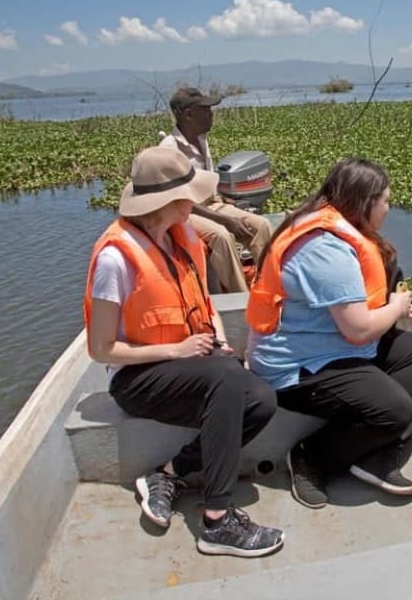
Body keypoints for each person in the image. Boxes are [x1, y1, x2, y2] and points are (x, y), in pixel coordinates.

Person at [83, 145, 283, 557]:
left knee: (261, 400)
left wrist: (221, 341)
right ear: (171, 201)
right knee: (227, 380)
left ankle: (170, 473)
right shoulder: (115, 259)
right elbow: (101, 350)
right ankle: (218, 520)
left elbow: (202, 302)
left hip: (189, 359)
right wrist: (176, 350)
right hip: (137, 378)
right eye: (190, 195)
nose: (197, 201)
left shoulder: (180, 236)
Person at [246, 158, 412, 509]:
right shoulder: (325, 247)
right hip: (294, 368)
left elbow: (354, 312)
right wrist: (395, 307)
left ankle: (375, 453)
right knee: (394, 408)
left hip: (329, 345)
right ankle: (311, 457)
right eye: (385, 201)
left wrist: (391, 308)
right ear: (365, 202)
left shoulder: (335, 224)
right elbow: (359, 331)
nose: (388, 208)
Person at [159, 86, 272, 293]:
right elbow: (179, 200)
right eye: (206, 110)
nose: (211, 115)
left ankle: (269, 285)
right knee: (221, 236)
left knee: (261, 225)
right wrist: (225, 220)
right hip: (184, 213)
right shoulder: (169, 149)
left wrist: (225, 203)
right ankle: (241, 296)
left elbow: (207, 184)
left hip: (211, 204)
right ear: (189, 115)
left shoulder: (202, 140)